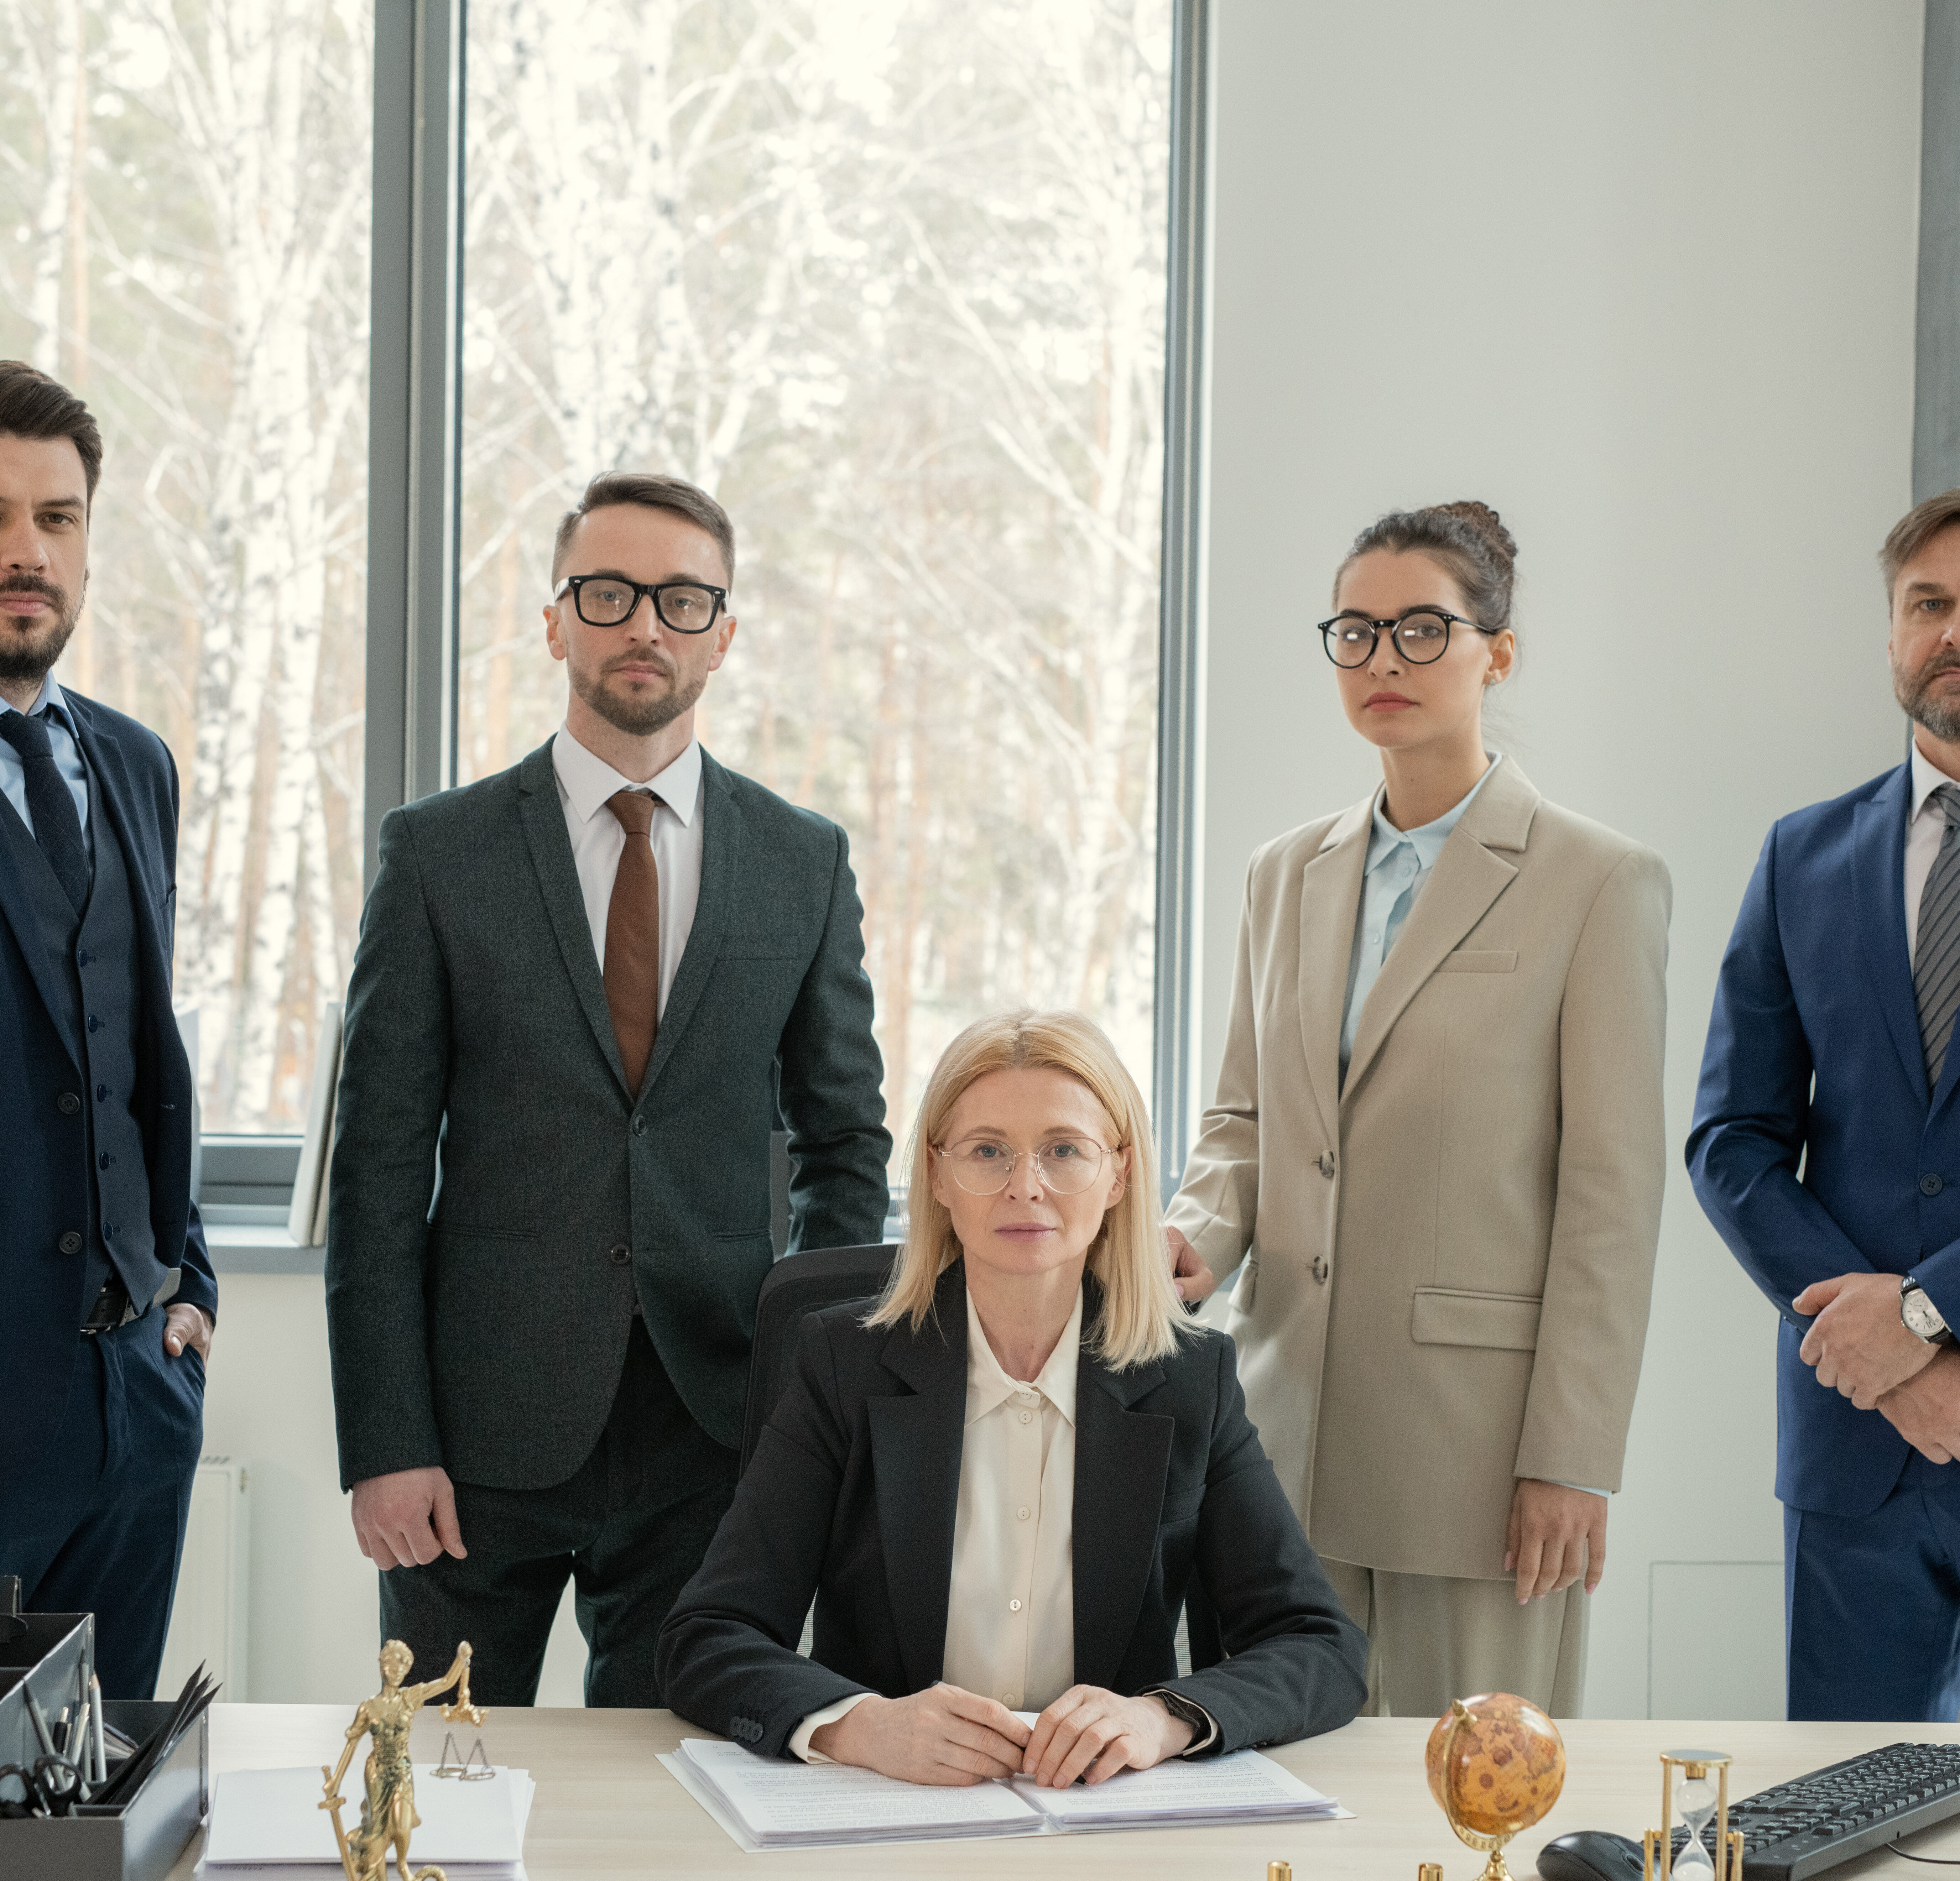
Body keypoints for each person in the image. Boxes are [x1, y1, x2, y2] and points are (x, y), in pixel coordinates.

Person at [325, 470, 890, 1708]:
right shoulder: (438, 854)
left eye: (683, 600)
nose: (646, 624)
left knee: (675, 1799)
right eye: (612, 591)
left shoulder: (803, 861)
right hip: (476, 1436)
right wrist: (387, 1441)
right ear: (555, 619)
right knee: (434, 1781)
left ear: (724, 635)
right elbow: (371, 1165)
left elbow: (844, 1147)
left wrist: (814, 1407)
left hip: (717, 1428)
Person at [1164, 502, 1669, 1720]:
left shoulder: (1595, 879)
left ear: (1496, 653)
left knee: (1471, 1811)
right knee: (1274, 1797)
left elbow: (1611, 1193)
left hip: (1480, 1452)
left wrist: (1570, 1457)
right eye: (1354, 630)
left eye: (1420, 628)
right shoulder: (1283, 873)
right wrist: (1191, 1235)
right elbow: (1242, 1118)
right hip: (1280, 1428)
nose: (1382, 659)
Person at [658, 1009, 1366, 1783]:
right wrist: (860, 1727)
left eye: (1064, 1151)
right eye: (988, 1151)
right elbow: (708, 1635)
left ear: (1119, 1174)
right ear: (936, 1174)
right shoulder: (844, 1364)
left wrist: (1160, 1717)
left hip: (1105, 1821)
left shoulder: (1189, 1376)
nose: (1025, 1186)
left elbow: (1319, 1645)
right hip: (888, 1816)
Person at [1689, 487, 1960, 1720]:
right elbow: (1732, 1137)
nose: (1951, 632)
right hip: (1850, 1441)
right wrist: (1875, 1351)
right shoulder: (1802, 855)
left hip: (1893, 1354)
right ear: (1891, 633)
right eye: (1928, 605)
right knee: (1846, 1834)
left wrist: (1924, 1312)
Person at [0, 360, 217, 1695]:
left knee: (94, 1837)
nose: (25, 551)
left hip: (131, 1402)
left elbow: (136, 1053)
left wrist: (183, 1286)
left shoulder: (132, 761)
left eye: (57, 518)